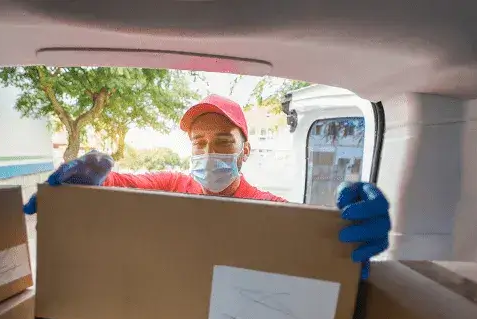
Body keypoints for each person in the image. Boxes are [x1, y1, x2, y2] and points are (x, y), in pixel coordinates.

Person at [23, 94, 391, 278]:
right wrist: (86, 183)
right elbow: (121, 185)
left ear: (245, 151)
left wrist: (346, 236)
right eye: (198, 142)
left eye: (224, 142)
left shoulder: (269, 207)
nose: (209, 151)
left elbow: (313, 245)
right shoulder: (172, 185)